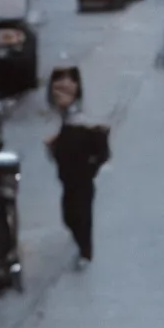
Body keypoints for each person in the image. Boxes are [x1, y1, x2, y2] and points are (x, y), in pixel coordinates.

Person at [45, 66, 110, 269]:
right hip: (67, 178)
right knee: (69, 215)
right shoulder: (60, 116)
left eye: (70, 80)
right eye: (59, 80)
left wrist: (90, 166)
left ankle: (85, 252)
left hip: (82, 178)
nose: (64, 85)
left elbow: (101, 148)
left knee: (80, 215)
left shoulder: (83, 118)